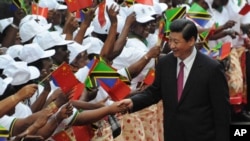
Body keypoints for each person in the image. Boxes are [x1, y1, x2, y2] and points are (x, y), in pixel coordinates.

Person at [119, 19, 230, 141]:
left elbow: (222, 112)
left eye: (176, 42)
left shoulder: (211, 68)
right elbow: (154, 92)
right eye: (170, 40)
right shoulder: (164, 63)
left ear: (191, 41)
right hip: (173, 134)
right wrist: (132, 102)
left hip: (202, 135)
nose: (171, 46)